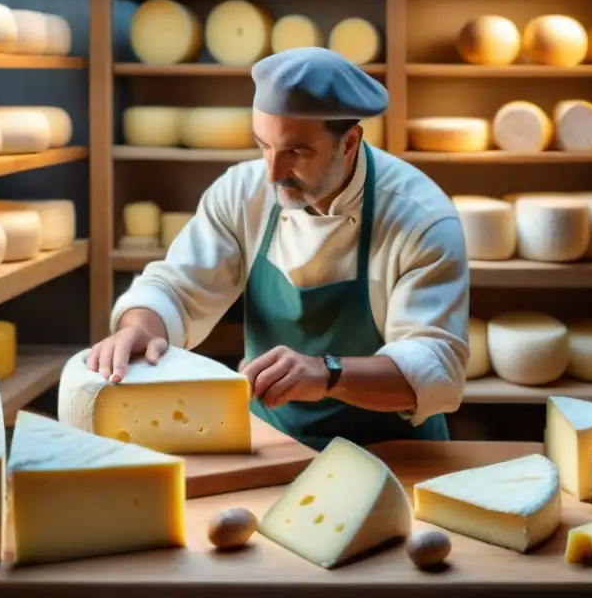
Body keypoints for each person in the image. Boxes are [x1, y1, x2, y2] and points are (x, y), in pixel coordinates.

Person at [88, 46, 470, 450]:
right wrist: (138, 330)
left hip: (393, 451)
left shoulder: (421, 217)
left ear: (350, 143)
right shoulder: (241, 193)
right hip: (273, 443)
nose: (273, 172)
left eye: (296, 152)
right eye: (264, 146)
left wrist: (326, 373)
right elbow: (175, 288)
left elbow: (435, 366)